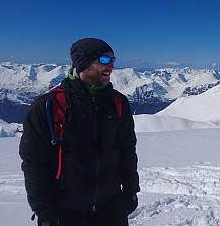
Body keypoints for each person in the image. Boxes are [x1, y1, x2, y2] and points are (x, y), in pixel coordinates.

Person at [19, 38, 140, 226]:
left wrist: (131, 192)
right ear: (83, 62)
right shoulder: (48, 106)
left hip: (111, 207)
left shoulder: (118, 103)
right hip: (65, 211)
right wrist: (44, 210)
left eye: (113, 61)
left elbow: (127, 150)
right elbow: (34, 161)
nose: (111, 67)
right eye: (104, 60)